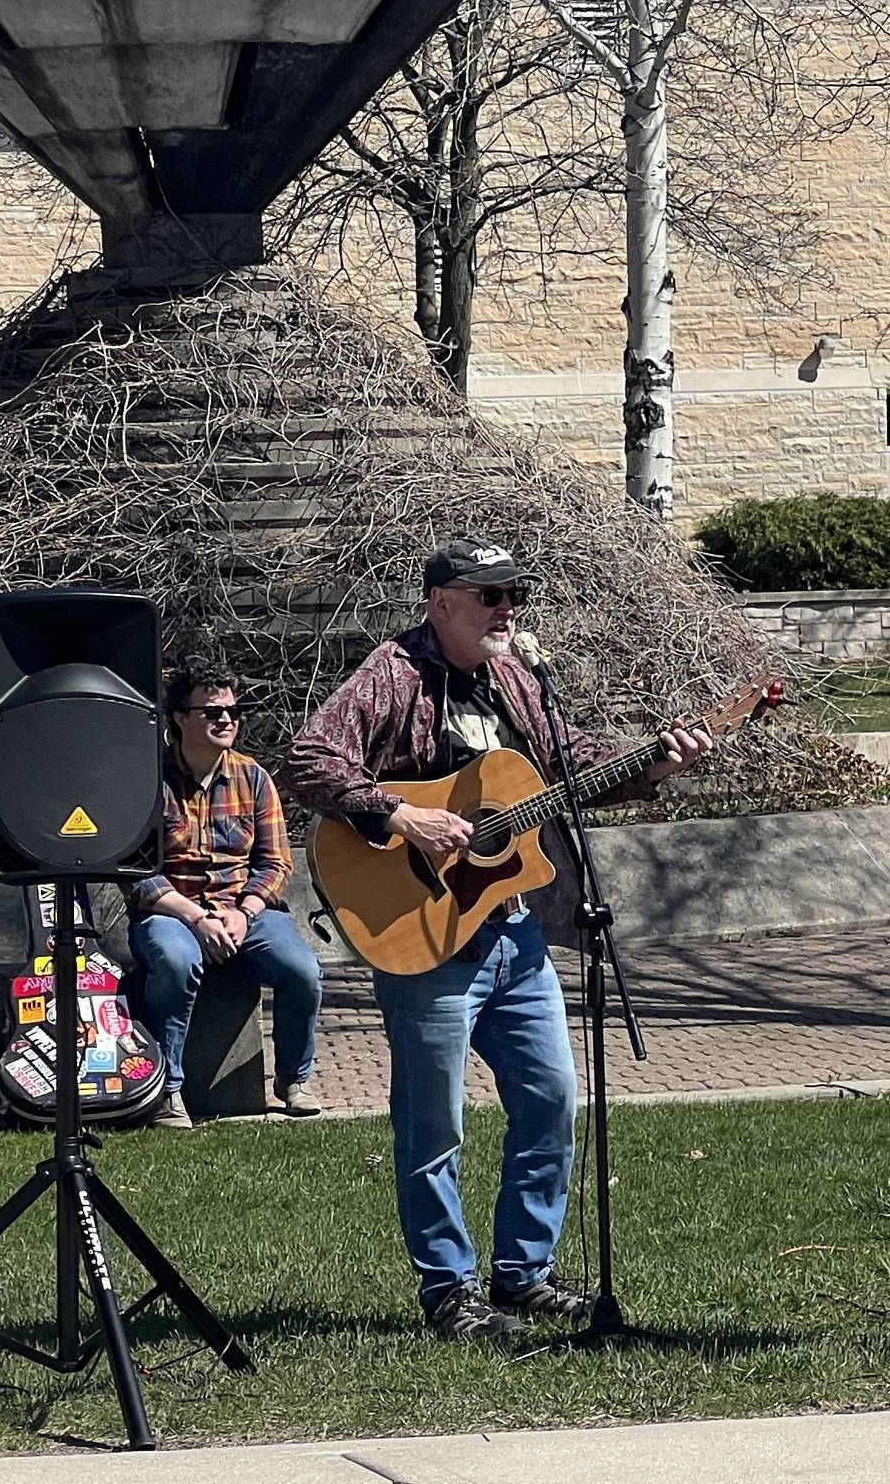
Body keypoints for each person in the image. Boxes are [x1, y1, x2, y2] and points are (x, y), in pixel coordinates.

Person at [282, 533, 711, 1341]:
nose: (505, 609)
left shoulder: (519, 679)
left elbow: (575, 773)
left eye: (512, 595)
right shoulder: (394, 673)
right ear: (440, 602)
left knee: (552, 1103)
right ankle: (449, 1290)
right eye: (487, 596)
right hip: (423, 936)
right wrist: (401, 814)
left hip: (513, 936)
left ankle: (524, 1275)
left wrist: (658, 763)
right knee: (434, 1123)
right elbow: (309, 759)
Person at [127, 662, 323, 1130]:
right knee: (174, 962)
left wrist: (244, 911)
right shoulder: (144, 782)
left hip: (246, 911)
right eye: (212, 711)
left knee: (304, 972)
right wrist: (197, 918)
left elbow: (276, 864)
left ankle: (293, 1080)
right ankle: (166, 1091)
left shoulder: (253, 778)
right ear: (178, 716)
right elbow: (136, 874)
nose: (227, 720)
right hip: (173, 912)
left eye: (234, 711)